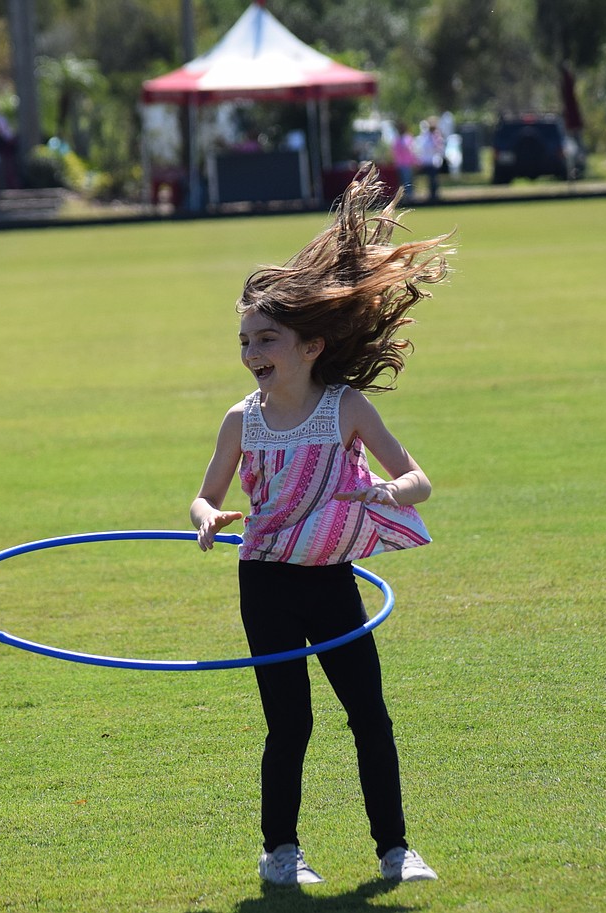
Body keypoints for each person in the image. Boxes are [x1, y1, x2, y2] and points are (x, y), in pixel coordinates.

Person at [190, 163, 450, 887]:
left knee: (369, 711)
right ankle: (280, 853)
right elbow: (201, 497)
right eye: (245, 341)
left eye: (266, 339)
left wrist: (390, 493)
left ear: (310, 346)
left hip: (331, 580)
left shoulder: (346, 409)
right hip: (266, 580)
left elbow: (419, 479)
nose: (251, 354)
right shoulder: (241, 420)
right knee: (290, 723)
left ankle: (396, 849)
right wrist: (209, 516)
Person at [417, 118, 445, 202]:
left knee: (434, 179)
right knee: (430, 179)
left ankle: (434, 194)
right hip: (427, 161)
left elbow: (438, 147)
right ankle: (432, 194)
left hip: (433, 161)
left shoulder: (436, 136)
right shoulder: (425, 136)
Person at [392, 121, 418, 201]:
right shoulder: (397, 139)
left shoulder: (408, 138)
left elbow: (412, 151)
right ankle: (404, 198)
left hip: (407, 164)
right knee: (402, 182)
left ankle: (410, 197)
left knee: (408, 181)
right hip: (400, 164)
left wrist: (415, 162)